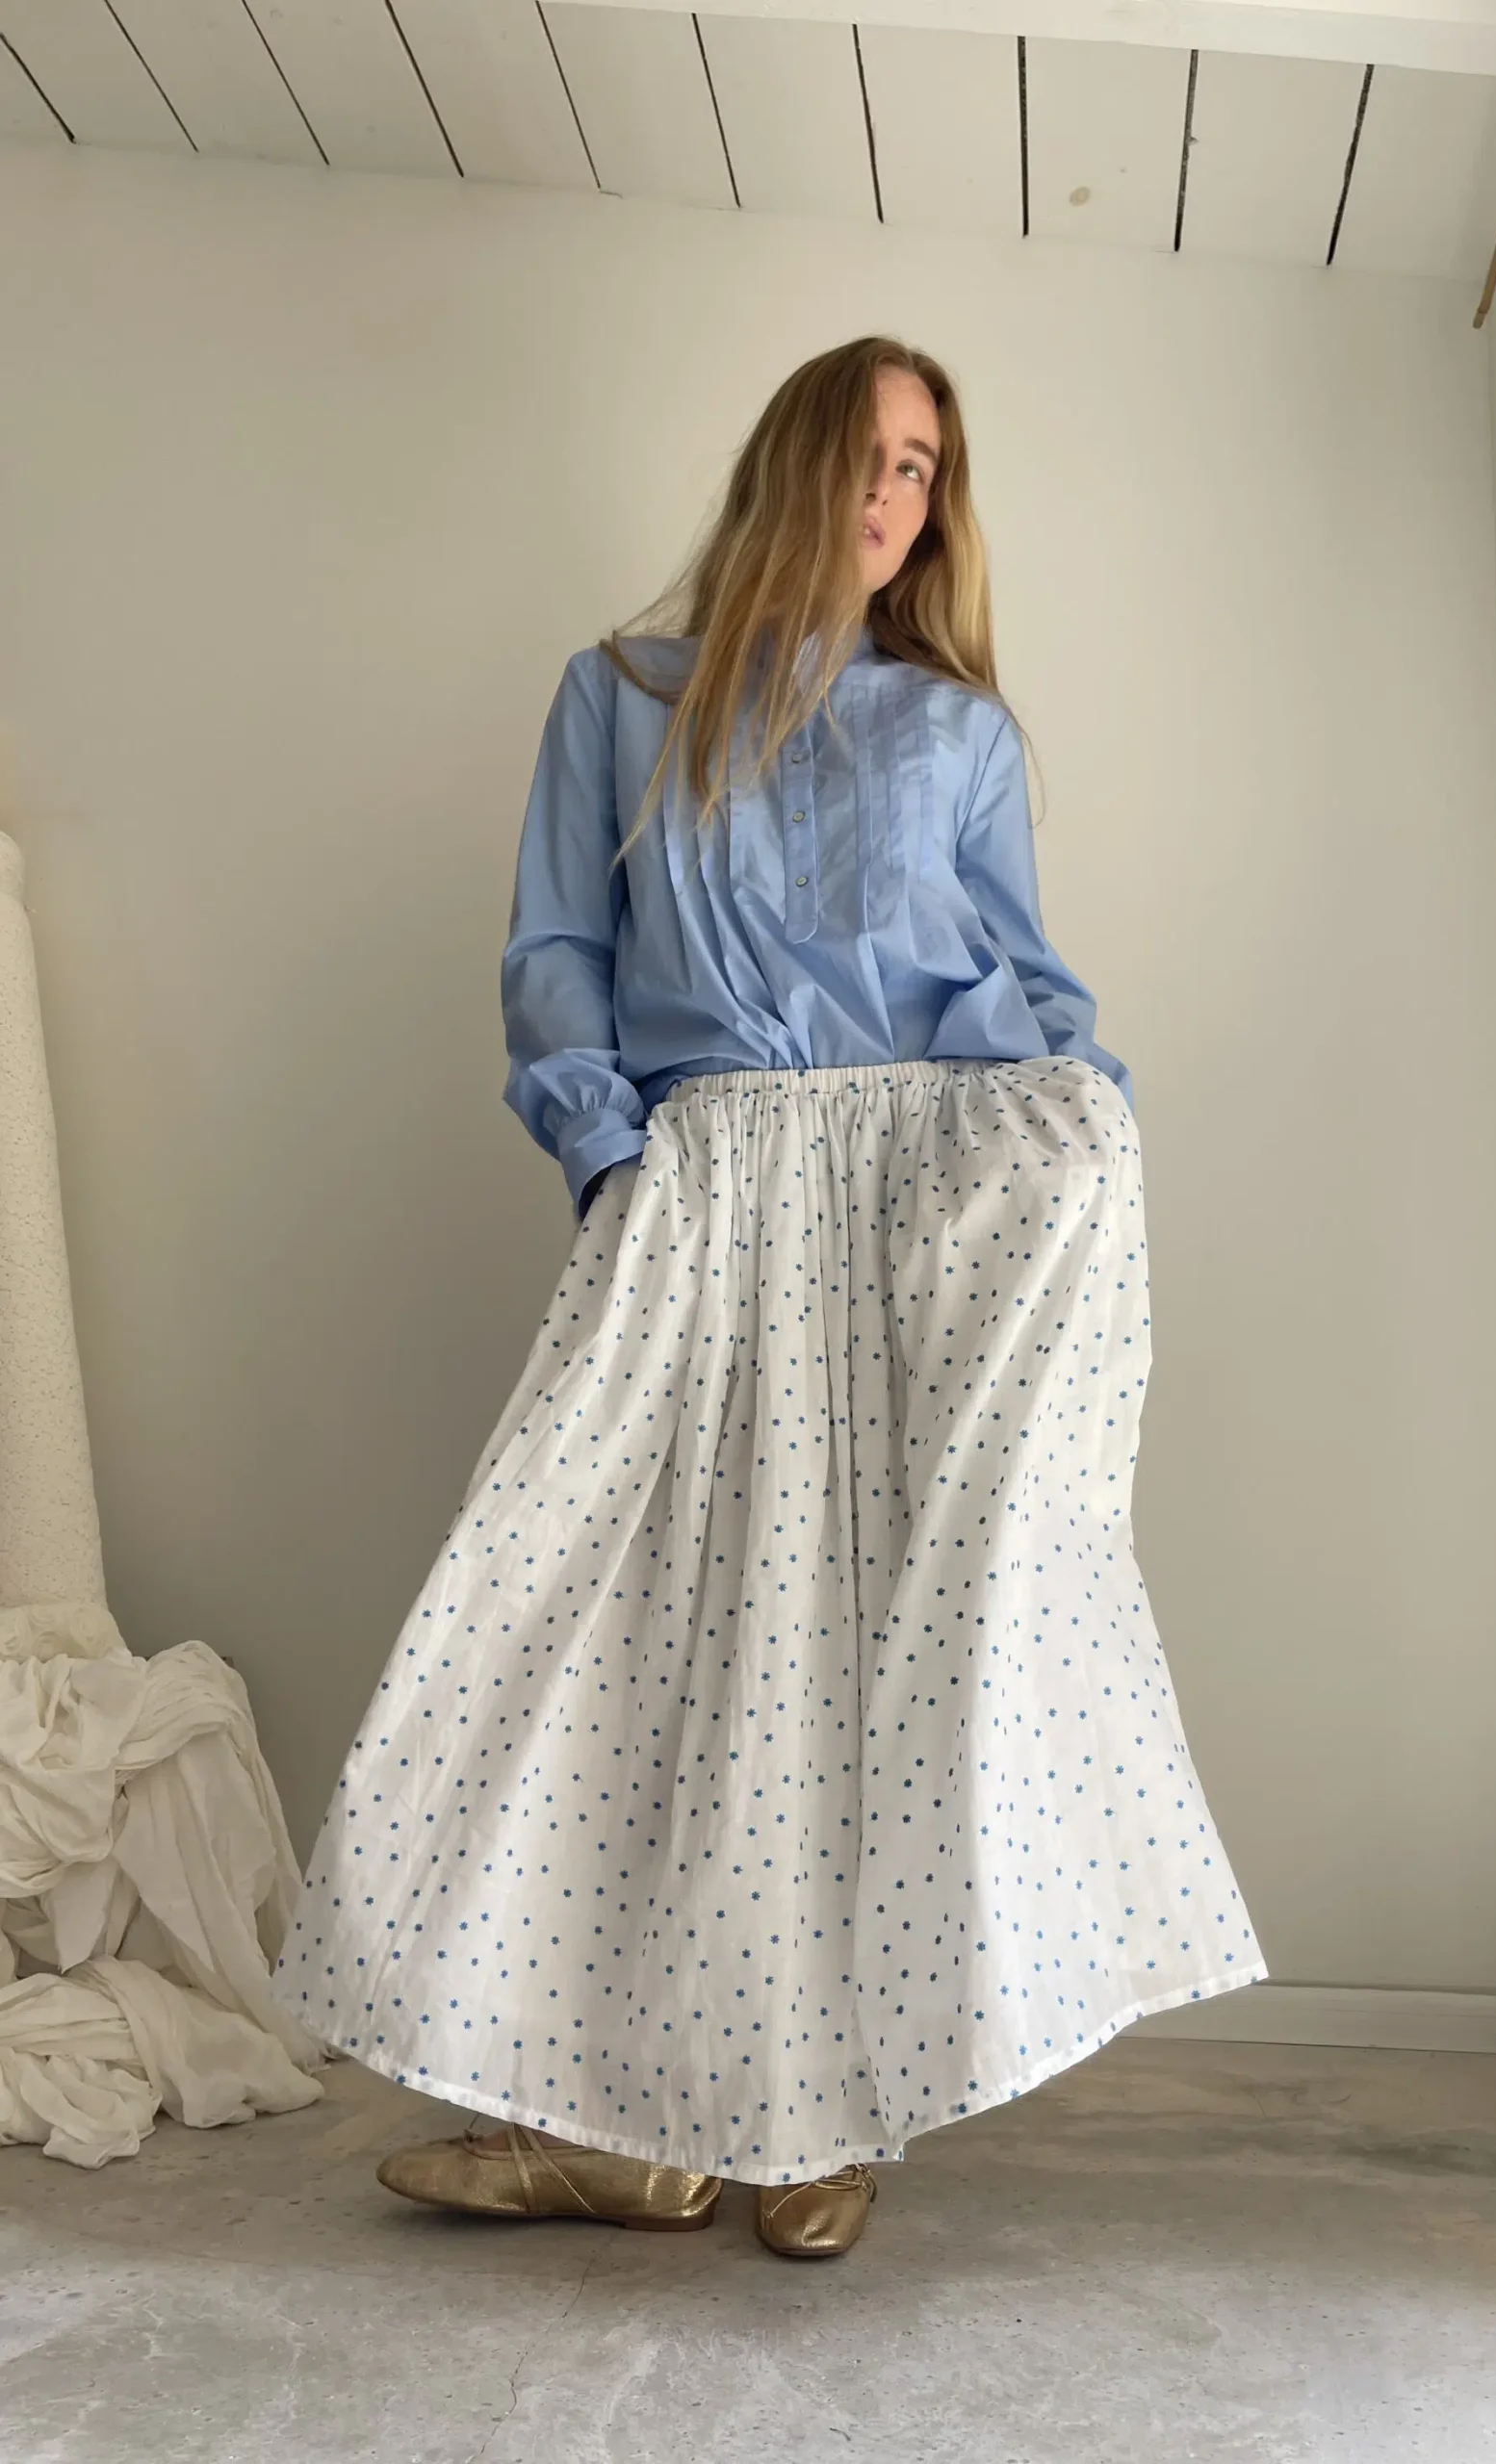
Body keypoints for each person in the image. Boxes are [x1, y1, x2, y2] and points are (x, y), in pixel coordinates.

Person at [276, 335, 1265, 2261]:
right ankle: (615, 2124)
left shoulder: (959, 732)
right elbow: (555, 951)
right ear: (801, 461)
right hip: (708, 1175)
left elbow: (1018, 981)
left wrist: (1073, 1126)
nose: (899, 497)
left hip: (911, 1200)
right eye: (877, 455)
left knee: (856, 1654)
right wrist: (614, 1157)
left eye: (928, 469)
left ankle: (828, 2108)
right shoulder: (621, 696)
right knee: (609, 1625)